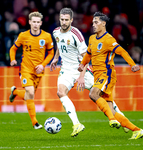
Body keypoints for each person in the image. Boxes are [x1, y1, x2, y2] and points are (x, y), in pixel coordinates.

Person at [50, 8, 129, 138]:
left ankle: (122, 119)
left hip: (81, 69)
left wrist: (81, 76)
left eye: (66, 20)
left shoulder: (76, 34)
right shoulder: (55, 32)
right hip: (66, 70)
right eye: (62, 19)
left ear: (71, 20)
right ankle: (76, 124)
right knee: (60, 92)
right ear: (59, 19)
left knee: (102, 96)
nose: (63, 22)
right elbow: (59, 42)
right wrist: (56, 57)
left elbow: (86, 57)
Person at [78, 11, 143, 140]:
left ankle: (112, 119)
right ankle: (137, 130)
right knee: (111, 109)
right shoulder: (91, 38)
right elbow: (88, 54)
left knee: (93, 94)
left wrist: (132, 64)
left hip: (107, 74)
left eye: (96, 22)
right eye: (93, 23)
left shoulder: (108, 39)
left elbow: (122, 51)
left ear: (103, 24)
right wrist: (82, 64)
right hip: (98, 76)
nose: (93, 25)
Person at [9, 11, 54, 129]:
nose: (35, 24)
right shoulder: (23, 35)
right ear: (29, 22)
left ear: (41, 23)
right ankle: (35, 122)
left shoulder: (46, 36)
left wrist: (43, 65)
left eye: (37, 22)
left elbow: (51, 53)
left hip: (38, 71)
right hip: (25, 69)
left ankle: (15, 92)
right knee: (30, 92)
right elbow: (13, 49)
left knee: (29, 95)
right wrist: (13, 59)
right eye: (33, 22)